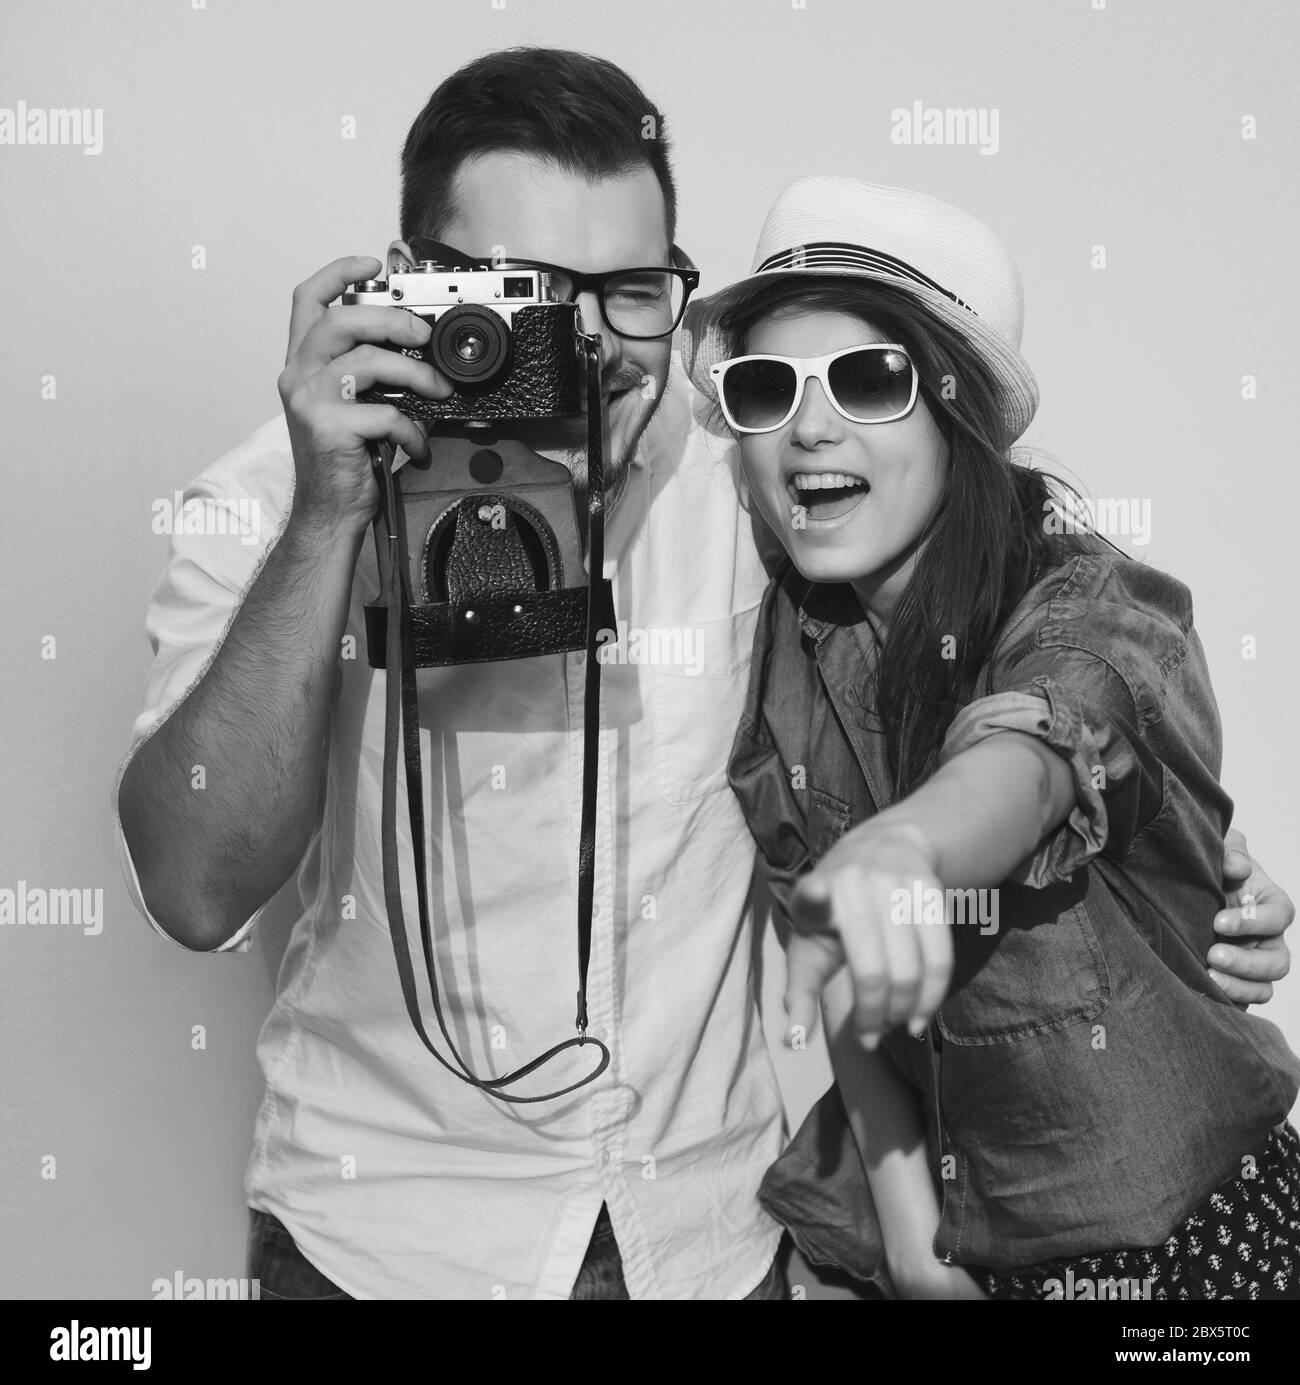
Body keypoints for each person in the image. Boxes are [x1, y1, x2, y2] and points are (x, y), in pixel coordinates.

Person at [113, 51, 1292, 1300]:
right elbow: (193, 887)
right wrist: (328, 520)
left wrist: (1160, 852)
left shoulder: (741, 477)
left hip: (705, 1241)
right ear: (419, 286)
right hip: (384, 1241)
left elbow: (1003, 640)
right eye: (529, 293)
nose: (583, 342)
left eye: (627, 292)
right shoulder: (274, 501)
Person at [683, 174, 1300, 1298]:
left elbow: (1038, 744)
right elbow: (851, 974)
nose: (807, 424)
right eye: (765, 387)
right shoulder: (789, 638)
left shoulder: (1088, 604)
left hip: (1181, 1255)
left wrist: (908, 850)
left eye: (868, 380)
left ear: (955, 410)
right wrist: (918, 1251)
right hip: (930, 1252)